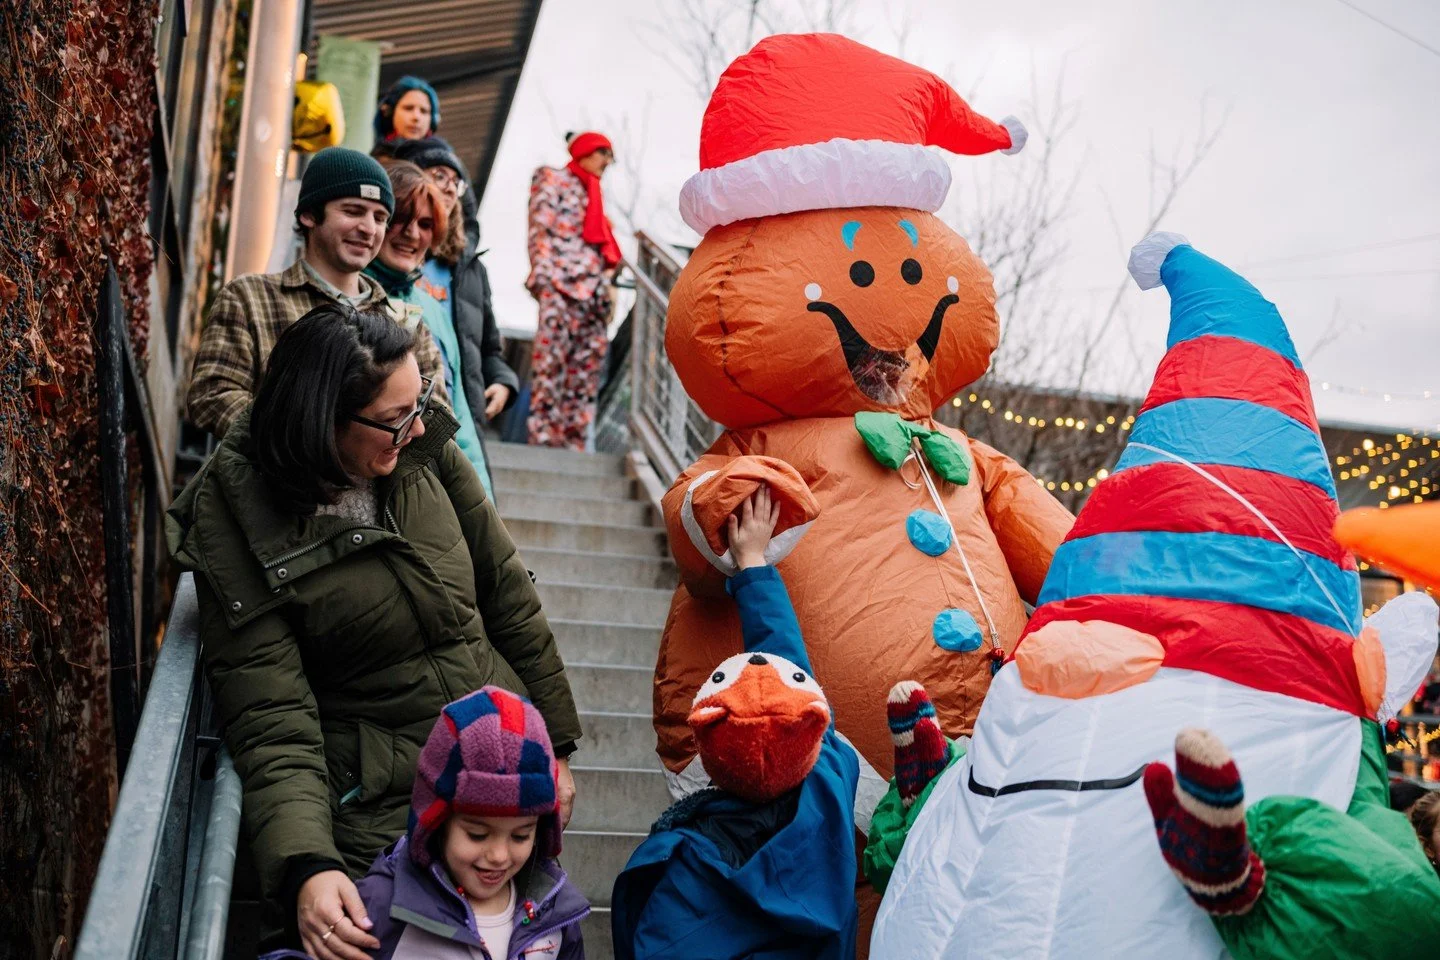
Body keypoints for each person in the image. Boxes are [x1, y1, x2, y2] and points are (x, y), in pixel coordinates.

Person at [166, 306, 581, 957]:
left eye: (417, 407)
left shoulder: (422, 448)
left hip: (496, 775)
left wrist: (551, 745)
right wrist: (306, 864)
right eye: (394, 419)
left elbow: (506, 593)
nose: (416, 429)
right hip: (379, 810)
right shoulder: (237, 515)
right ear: (320, 419)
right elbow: (272, 713)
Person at [610, 488, 860, 959]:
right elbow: (789, 665)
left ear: (703, 737)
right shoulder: (828, 783)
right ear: (810, 727)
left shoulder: (681, 865)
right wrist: (755, 564)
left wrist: (747, 561)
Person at [186, 146, 448, 439]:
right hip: (274, 481)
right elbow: (211, 396)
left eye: (379, 217)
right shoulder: (248, 297)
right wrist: (308, 445)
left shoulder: (405, 320)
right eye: (353, 211)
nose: (368, 228)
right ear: (309, 214)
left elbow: (435, 413)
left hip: (373, 483)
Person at [348, 687, 588, 959]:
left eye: (520, 836)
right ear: (436, 824)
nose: (498, 855)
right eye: (477, 835)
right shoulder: (384, 904)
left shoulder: (555, 911)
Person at [393, 136, 520, 493]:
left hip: (461, 417)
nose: (449, 187)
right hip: (401, 418)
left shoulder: (469, 270)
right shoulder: (391, 255)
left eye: (455, 180)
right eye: (438, 175)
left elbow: (488, 346)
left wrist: (503, 381)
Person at [363, 160, 491, 497]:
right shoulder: (350, 296)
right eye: (401, 219)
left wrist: (482, 502)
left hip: (434, 491)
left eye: (425, 223)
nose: (412, 233)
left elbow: (458, 418)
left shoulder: (433, 310)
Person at [524, 131, 621, 449]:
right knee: (550, 364)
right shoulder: (552, 178)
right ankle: (543, 438)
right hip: (560, 284)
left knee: (585, 372)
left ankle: (573, 442)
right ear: (585, 150)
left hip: (593, 293)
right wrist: (543, 278)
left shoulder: (595, 196)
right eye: (604, 153)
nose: (608, 162)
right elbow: (540, 227)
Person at [373, 76, 441, 144]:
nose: (416, 117)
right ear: (390, 112)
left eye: (424, 111)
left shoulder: (443, 154)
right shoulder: (377, 153)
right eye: (408, 108)